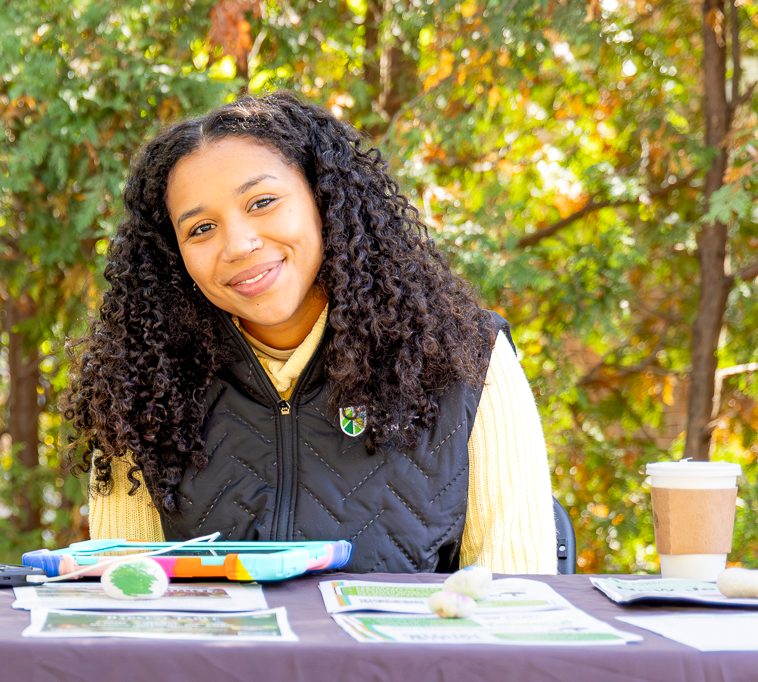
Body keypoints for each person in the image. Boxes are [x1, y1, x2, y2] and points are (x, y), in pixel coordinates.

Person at [65, 91, 556, 574]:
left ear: (324, 200)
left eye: (262, 201)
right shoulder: (139, 388)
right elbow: (123, 601)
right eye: (200, 229)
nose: (239, 243)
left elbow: (518, 606)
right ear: (174, 254)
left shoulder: (466, 358)